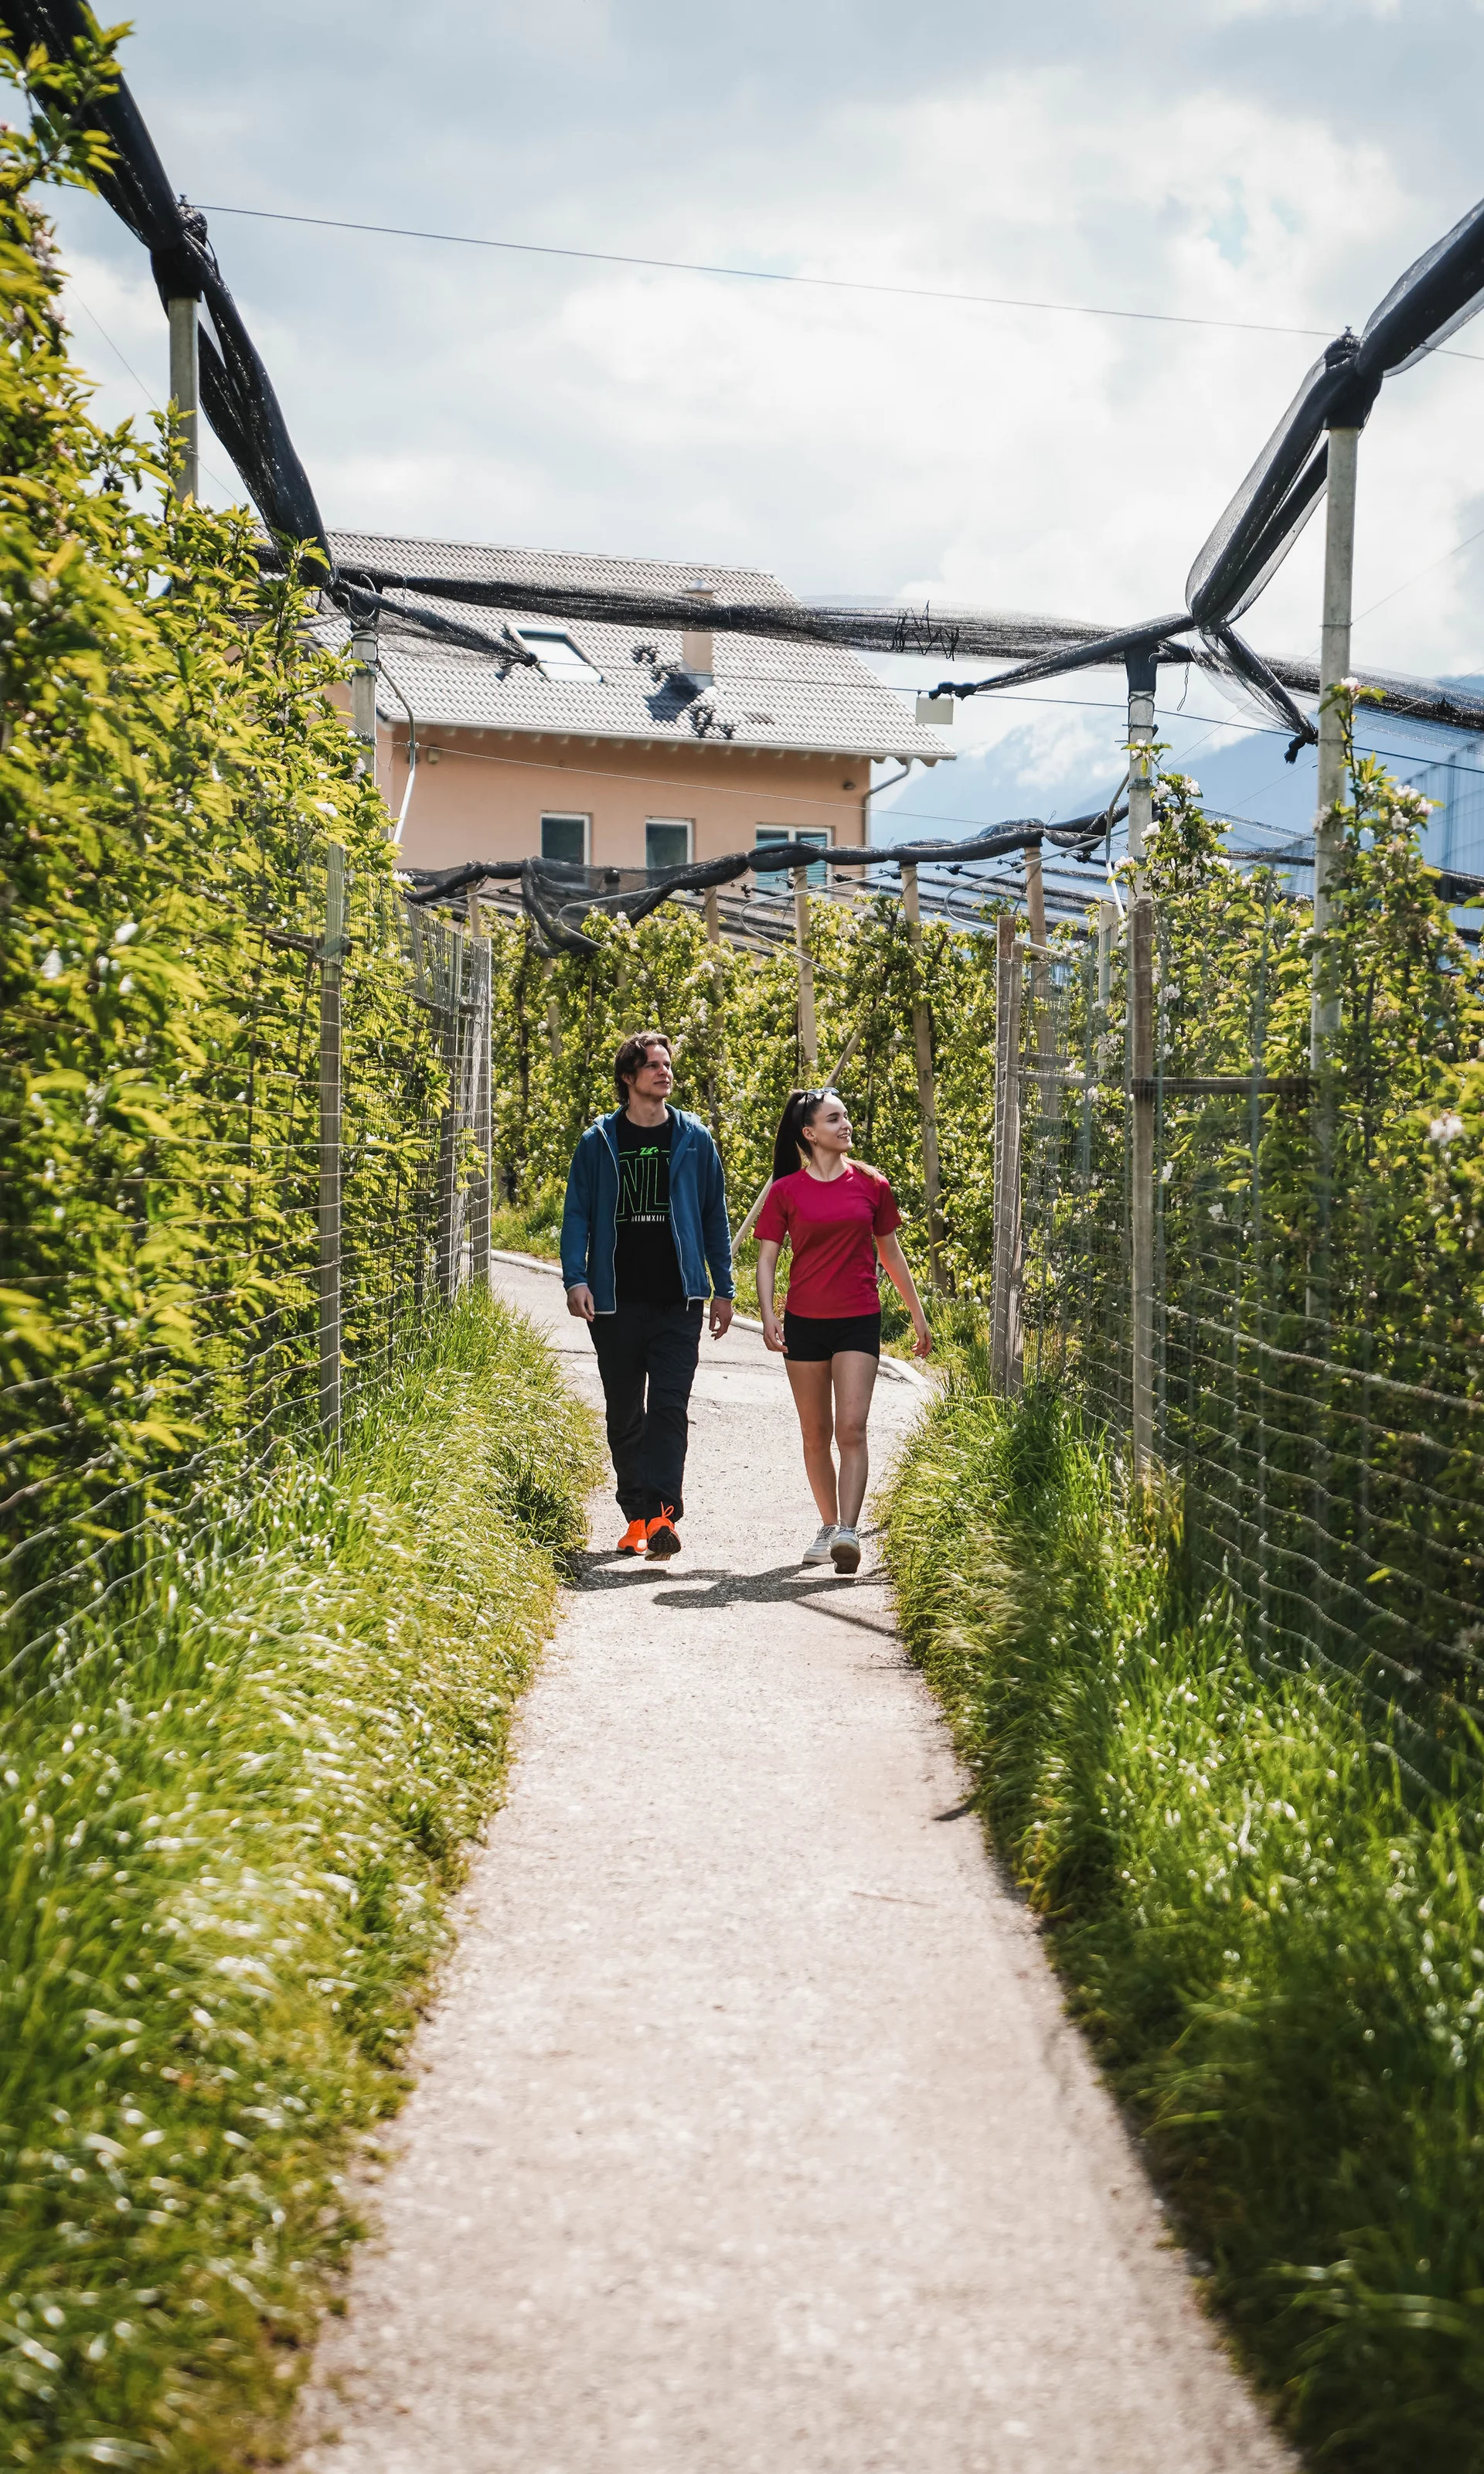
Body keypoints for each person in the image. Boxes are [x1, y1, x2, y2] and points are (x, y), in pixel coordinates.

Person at [562, 1030, 734, 1559]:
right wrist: (576, 1279)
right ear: (628, 1078)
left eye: (667, 1065)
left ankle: (662, 1515)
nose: (665, 1073)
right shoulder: (599, 1142)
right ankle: (634, 1516)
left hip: (678, 1301)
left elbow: (714, 1218)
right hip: (615, 1303)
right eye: (654, 1066)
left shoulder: (694, 1138)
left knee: (668, 1406)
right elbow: (577, 1216)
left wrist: (723, 1289)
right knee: (624, 1414)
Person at [755, 1086, 931, 1574]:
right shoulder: (786, 1191)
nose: (845, 1125)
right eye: (834, 1120)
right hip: (804, 1324)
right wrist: (768, 1314)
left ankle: (850, 1532)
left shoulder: (873, 1185)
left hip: (858, 1319)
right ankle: (830, 1526)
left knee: (852, 1429)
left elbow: (891, 1255)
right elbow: (767, 1258)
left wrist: (917, 1314)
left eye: (846, 1117)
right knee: (817, 1432)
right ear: (809, 1134)